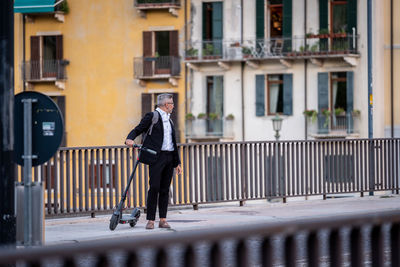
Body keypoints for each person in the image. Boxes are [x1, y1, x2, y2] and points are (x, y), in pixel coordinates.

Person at [125, 94, 182, 230]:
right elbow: (139, 128)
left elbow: (173, 143)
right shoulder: (152, 116)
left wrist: (177, 163)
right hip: (157, 157)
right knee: (154, 187)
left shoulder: (170, 120)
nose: (173, 106)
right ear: (166, 105)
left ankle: (163, 220)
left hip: (169, 157)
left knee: (165, 189)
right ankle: (150, 220)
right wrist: (129, 138)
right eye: (172, 103)